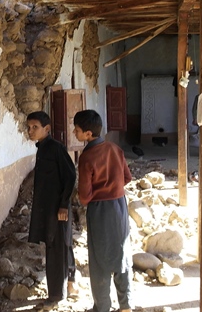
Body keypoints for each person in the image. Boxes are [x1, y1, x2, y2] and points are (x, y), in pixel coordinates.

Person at [73, 109, 133, 312]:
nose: (75, 133)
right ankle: (126, 305)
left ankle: (103, 306)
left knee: (99, 258)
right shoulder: (115, 148)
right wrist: (113, 187)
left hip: (99, 210)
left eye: (77, 130)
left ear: (88, 134)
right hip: (119, 206)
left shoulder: (87, 157)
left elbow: (84, 196)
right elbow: (127, 178)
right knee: (122, 253)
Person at [26, 111, 78, 304]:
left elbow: (70, 176)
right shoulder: (42, 149)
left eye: (35, 128)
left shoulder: (56, 149)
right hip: (48, 207)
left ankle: (56, 294)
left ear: (46, 129)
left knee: (56, 247)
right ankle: (71, 283)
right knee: (63, 243)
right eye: (29, 127)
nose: (30, 131)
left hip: (57, 208)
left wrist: (64, 205)